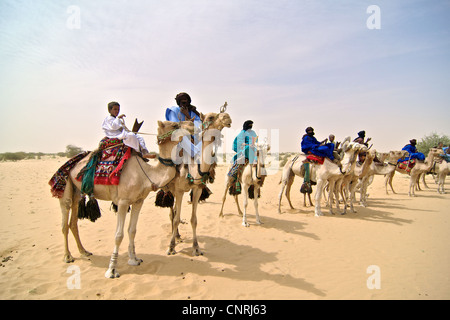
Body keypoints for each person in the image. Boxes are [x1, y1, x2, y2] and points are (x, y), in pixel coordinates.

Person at [165, 92, 202, 160]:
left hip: (192, 134)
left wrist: (187, 115)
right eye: (182, 102)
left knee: (205, 136)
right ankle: (196, 153)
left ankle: (201, 154)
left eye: (185, 102)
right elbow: (174, 125)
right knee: (181, 135)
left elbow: (198, 126)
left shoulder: (192, 112)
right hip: (177, 135)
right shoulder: (174, 110)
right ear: (179, 103)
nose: (183, 104)